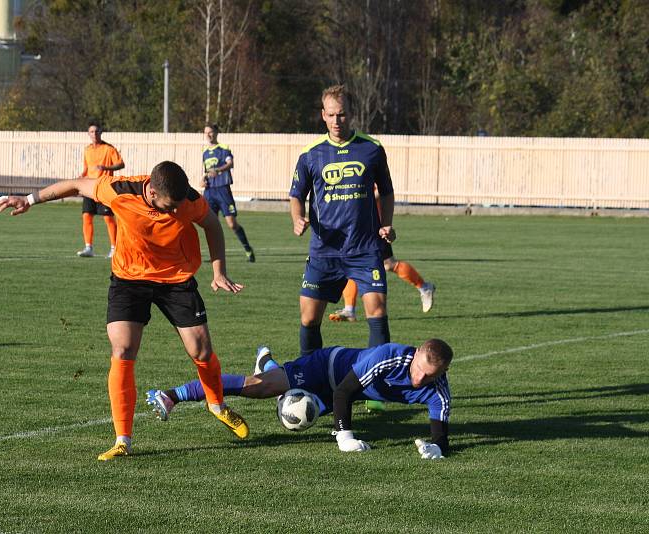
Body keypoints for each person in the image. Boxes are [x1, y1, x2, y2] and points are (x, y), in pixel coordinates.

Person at [0, 160, 249, 459]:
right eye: (169, 206)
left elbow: (211, 224)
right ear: (152, 192)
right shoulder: (119, 190)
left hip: (176, 278)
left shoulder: (187, 200)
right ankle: (122, 440)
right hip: (129, 278)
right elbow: (77, 184)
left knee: (201, 350)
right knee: (123, 349)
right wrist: (30, 199)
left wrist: (219, 271)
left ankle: (216, 404)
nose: (176, 211)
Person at [146, 338, 452, 458]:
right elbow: (345, 391)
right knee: (260, 388)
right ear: (415, 355)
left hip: (340, 392)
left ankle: (267, 361)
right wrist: (345, 437)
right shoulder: (389, 357)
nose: (419, 380)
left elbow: (441, 433)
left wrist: (437, 448)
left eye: (429, 377)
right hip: (326, 368)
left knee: (296, 408)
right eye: (419, 371)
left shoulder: (438, 390)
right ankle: (172, 395)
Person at [290, 84, 395, 355]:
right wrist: (297, 218)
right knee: (309, 318)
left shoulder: (371, 148)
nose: (337, 121)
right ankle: (310, 381)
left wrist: (387, 223)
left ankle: (376, 390)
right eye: (332, 115)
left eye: (343, 114)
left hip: (364, 248)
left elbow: (386, 191)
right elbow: (296, 194)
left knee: (377, 310)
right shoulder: (310, 153)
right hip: (325, 250)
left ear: (352, 114)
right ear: (323, 115)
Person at [329, 250, 435, 321]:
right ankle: (349, 310)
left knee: (388, 264)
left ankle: (424, 287)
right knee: (351, 263)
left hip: (375, 226)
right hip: (355, 227)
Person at [202, 124, 255, 262]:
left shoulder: (223, 149)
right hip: (209, 192)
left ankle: (248, 249)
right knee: (210, 225)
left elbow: (230, 163)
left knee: (231, 224)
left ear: (216, 133)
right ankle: (215, 257)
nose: (208, 135)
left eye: (210, 132)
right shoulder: (205, 152)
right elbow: (207, 171)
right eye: (206, 132)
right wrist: (203, 179)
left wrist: (218, 170)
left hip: (223, 190)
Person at [76, 121, 123, 258]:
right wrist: (81, 177)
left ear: (101, 133)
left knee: (108, 218)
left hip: (104, 187)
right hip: (89, 187)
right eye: (91, 131)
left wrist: (106, 168)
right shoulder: (87, 149)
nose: (94, 134)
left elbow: (121, 164)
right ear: (88, 134)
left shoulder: (109, 149)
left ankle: (114, 248)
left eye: (97, 131)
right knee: (86, 216)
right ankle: (88, 247)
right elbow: (86, 169)